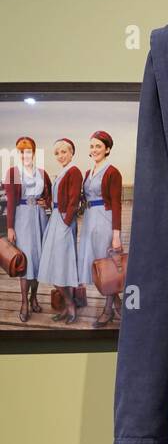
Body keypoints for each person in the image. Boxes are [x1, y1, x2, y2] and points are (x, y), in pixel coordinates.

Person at [77, 130, 123, 327]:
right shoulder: (88, 172)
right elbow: (82, 197)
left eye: (98, 146)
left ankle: (107, 311)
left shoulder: (112, 172)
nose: (94, 149)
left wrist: (116, 235)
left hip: (104, 219)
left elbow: (116, 204)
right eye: (92, 146)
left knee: (107, 267)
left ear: (107, 149)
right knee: (93, 263)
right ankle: (118, 303)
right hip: (88, 219)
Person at [3, 136, 50, 323]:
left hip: (39, 218)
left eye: (28, 150)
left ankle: (34, 298)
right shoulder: (13, 172)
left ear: (34, 151)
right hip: (22, 218)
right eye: (21, 151)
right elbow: (11, 203)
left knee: (38, 260)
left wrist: (45, 201)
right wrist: (10, 228)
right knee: (25, 261)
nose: (25, 154)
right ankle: (24, 302)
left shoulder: (42, 172)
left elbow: (49, 195)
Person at [37, 138, 82, 324]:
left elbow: (73, 200)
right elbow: (57, 200)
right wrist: (46, 203)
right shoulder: (62, 172)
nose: (60, 156)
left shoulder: (74, 171)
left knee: (62, 263)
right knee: (52, 263)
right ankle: (67, 304)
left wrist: (66, 221)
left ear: (71, 153)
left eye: (64, 152)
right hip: (55, 220)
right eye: (57, 153)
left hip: (63, 221)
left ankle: (70, 306)